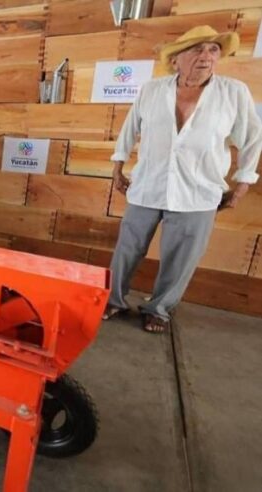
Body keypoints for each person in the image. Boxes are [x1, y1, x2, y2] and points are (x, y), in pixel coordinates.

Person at [105, 25, 262, 333]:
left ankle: (159, 309)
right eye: (197, 49)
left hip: (199, 190)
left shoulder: (234, 92)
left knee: (181, 257)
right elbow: (129, 128)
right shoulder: (152, 90)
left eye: (213, 50)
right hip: (148, 183)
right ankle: (113, 299)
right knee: (128, 247)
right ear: (175, 59)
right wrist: (117, 166)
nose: (206, 56)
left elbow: (252, 139)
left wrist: (243, 182)